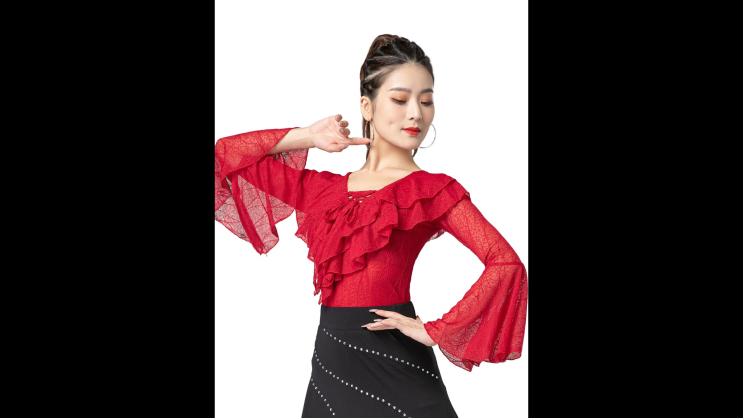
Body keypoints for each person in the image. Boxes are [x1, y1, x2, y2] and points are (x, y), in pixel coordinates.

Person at [215, 34, 527, 418]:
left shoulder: (430, 190)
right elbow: (225, 155)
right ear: (367, 106)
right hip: (331, 369)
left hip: (400, 367)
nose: (416, 113)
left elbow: (506, 263)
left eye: (426, 101)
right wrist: (309, 136)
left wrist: (436, 330)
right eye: (400, 99)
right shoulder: (322, 192)